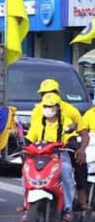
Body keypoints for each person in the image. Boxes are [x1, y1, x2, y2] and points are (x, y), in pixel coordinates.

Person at [30, 79, 90, 210]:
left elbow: (84, 133)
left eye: (50, 92)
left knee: (79, 163)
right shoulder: (38, 110)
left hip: (64, 149)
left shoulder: (70, 111)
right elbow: (33, 133)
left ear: (58, 93)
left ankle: (81, 199)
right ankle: (27, 203)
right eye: (43, 93)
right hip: (42, 151)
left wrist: (82, 149)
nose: (46, 95)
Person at [25, 93, 76, 222]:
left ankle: (68, 209)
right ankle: (26, 206)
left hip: (59, 156)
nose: (48, 108)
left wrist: (71, 142)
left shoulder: (66, 122)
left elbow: (71, 138)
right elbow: (29, 139)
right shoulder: (38, 122)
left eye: (51, 106)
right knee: (25, 172)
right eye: (45, 106)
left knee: (65, 172)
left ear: (58, 107)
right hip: (38, 157)